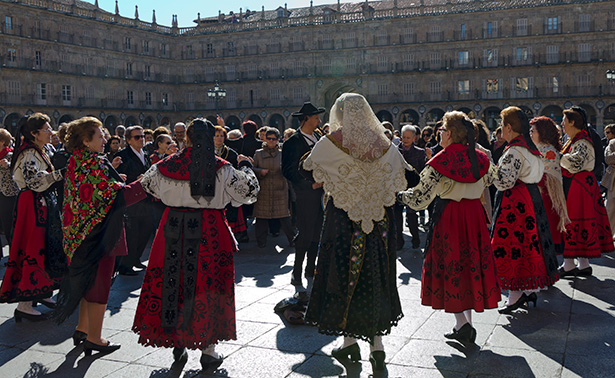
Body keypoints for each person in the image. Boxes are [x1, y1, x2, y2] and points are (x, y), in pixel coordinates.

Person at [132, 119, 259, 371]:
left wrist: (174, 196)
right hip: (208, 230)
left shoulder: (165, 165)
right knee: (208, 284)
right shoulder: (221, 167)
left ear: (186, 139)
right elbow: (249, 191)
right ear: (211, 139)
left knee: (173, 280)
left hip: (172, 229)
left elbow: (147, 185)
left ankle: (178, 345)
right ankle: (208, 351)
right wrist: (245, 166)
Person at [303, 93, 407, 373]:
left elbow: (310, 170)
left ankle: (349, 340)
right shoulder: (386, 144)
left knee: (343, 274)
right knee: (375, 274)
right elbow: (398, 180)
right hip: (380, 221)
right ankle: (376, 347)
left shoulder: (331, 142)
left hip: (343, 221)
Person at [399, 110, 501, 344]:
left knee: (452, 268)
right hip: (474, 215)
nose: (439, 133)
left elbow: (420, 198)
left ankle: (463, 324)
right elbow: (499, 180)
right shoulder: (481, 158)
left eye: (442, 129)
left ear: (452, 134)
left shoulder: (440, 161)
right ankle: (465, 325)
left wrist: (399, 196)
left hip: (450, 218)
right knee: (470, 267)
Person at [54, 116, 147, 355]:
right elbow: (116, 197)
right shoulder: (94, 162)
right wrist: (148, 183)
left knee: (88, 282)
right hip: (98, 234)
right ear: (85, 140)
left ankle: (83, 329)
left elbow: (97, 190)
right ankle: (95, 338)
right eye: (100, 135)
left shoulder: (78, 159)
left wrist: (115, 181)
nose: (105, 139)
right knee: (100, 285)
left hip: (79, 234)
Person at [491, 107, 559, 313]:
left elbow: (504, 181)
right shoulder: (530, 148)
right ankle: (529, 290)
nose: (500, 128)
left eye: (502, 124)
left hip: (514, 202)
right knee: (529, 243)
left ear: (509, 127)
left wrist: (489, 170)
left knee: (514, 245)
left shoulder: (514, 151)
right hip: (530, 198)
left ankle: (515, 296)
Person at [0, 113, 66, 321]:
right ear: (34, 134)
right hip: (33, 204)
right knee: (32, 248)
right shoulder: (29, 152)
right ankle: (24, 304)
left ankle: (41, 292)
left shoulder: (40, 149)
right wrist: (61, 173)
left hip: (41, 202)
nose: (51, 132)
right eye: (46, 129)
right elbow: (33, 181)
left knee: (44, 248)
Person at [559, 107, 614, 277]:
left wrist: (557, 156)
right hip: (581, 184)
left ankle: (570, 264)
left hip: (579, 185)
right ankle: (583, 263)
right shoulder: (575, 139)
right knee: (580, 222)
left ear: (572, 122)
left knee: (574, 222)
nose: (562, 124)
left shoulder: (582, 141)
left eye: (564, 120)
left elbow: (576, 163)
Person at [282, 102, 325, 287]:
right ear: (306, 119)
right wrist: (309, 185)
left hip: (321, 193)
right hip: (305, 194)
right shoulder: (293, 141)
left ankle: (310, 268)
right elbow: (288, 170)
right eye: (316, 117)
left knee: (317, 233)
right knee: (305, 234)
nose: (319, 120)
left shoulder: (318, 136)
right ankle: (296, 271)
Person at [115, 126, 153, 275]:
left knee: (146, 229)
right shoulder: (122, 155)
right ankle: (125, 265)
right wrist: (134, 180)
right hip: (131, 198)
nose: (141, 139)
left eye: (142, 136)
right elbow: (118, 177)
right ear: (129, 140)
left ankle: (136, 258)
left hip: (146, 197)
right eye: (137, 137)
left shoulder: (146, 153)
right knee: (132, 232)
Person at [530, 116, 570, 252]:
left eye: (533, 130)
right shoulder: (536, 148)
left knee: (545, 239)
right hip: (537, 197)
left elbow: (547, 178)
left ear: (543, 132)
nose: (531, 133)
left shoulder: (548, 151)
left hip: (547, 198)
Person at [253, 127, 295, 248]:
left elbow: (289, 170)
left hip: (280, 189)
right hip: (263, 189)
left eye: (274, 139)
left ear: (278, 140)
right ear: (265, 139)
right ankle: (261, 242)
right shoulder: (258, 153)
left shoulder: (283, 154)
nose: (271, 141)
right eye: (269, 138)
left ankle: (292, 240)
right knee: (261, 217)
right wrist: (260, 171)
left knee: (284, 216)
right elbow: (252, 169)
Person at [213, 125, 249, 243]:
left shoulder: (231, 153)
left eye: (222, 136)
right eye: (216, 136)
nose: (219, 138)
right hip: (213, 187)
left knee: (231, 211)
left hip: (227, 187)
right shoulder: (207, 153)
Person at [395, 124, 426, 249]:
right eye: (404, 137)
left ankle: (415, 237)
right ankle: (399, 240)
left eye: (408, 137)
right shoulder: (395, 151)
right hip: (397, 187)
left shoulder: (419, 152)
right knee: (397, 216)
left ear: (414, 138)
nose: (406, 140)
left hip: (413, 187)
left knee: (411, 214)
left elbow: (423, 170)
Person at [0, 129, 19, 257]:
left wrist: (8, 165)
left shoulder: (10, 155)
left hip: (8, 194)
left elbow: (16, 171)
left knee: (9, 226)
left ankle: (13, 255)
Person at [603, 124, 615, 236]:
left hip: (613, 180)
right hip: (612, 178)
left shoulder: (612, 143)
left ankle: (609, 234)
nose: (605, 135)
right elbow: (608, 160)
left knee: (611, 207)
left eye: (608, 132)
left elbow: (608, 158)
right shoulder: (609, 144)